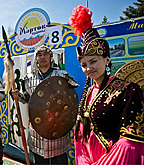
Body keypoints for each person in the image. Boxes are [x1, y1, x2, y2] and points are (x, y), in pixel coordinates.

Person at [69, 5, 144, 164]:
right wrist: (83, 160)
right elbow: (81, 133)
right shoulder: (88, 92)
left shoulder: (128, 91)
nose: (89, 68)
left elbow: (131, 144)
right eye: (84, 65)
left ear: (107, 60)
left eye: (93, 61)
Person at [11, 45, 79, 164]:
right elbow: (28, 99)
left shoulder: (62, 75)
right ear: (36, 58)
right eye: (39, 55)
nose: (43, 57)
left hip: (58, 129)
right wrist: (18, 96)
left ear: (51, 57)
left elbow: (71, 95)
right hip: (38, 131)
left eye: (45, 54)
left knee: (60, 161)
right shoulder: (28, 79)